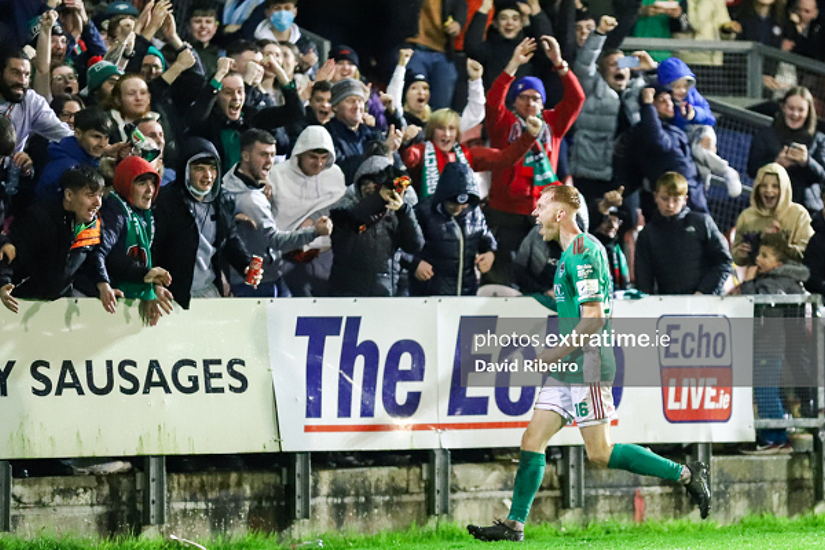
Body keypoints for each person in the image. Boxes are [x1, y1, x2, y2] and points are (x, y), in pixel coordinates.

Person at [467, 184, 711, 542]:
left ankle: (687, 474)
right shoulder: (570, 254)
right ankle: (515, 525)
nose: (535, 214)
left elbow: (594, 317)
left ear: (561, 213)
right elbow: (574, 309)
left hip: (588, 365)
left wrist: (553, 353)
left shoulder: (583, 251)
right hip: (569, 366)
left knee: (599, 452)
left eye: (542, 206)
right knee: (532, 438)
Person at [483, 36, 585, 285]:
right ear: (515, 100)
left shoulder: (553, 123)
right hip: (505, 212)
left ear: (543, 103)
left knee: (541, 273)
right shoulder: (503, 123)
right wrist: (513, 65)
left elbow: (577, 98)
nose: (530, 103)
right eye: (524, 97)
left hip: (543, 210)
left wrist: (559, 63)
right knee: (503, 275)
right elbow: (493, 101)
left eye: (536, 98)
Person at [152, 138, 261, 309]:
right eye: (199, 169)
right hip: (172, 294)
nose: (208, 176)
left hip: (209, 291)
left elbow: (230, 239)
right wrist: (154, 285)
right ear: (186, 171)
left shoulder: (223, 200)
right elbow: (153, 248)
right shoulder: (165, 201)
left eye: (212, 168)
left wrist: (245, 264)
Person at [222, 129, 333, 298]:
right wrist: (315, 231)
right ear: (245, 156)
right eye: (263, 155)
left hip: (268, 276)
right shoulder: (248, 200)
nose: (269, 162)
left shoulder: (230, 182)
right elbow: (276, 241)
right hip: (254, 283)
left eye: (273, 155)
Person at [0, 165, 119, 315]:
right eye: (90, 195)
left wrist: (102, 284)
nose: (98, 203)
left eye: (100, 196)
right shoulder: (39, 219)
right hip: (19, 302)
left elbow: (92, 260)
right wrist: (3, 284)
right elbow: (8, 253)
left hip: (56, 307)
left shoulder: (92, 226)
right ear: (69, 195)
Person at [570, 15, 654, 220]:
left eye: (624, 64)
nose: (619, 68)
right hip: (591, 175)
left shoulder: (637, 91)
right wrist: (599, 34)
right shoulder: (591, 87)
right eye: (612, 65)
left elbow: (670, 89)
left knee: (628, 223)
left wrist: (652, 67)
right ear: (601, 71)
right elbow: (583, 65)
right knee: (590, 223)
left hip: (627, 177)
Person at [731, 233, 809, 454]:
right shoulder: (767, 280)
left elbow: (764, 306)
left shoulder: (776, 282)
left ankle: (776, 439)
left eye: (765, 256)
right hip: (764, 347)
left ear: (779, 262)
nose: (758, 259)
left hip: (770, 347)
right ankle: (771, 436)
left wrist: (746, 286)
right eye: (759, 254)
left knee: (767, 392)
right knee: (765, 390)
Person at [329, 155, 424, 297]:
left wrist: (404, 211)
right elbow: (349, 237)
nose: (370, 187)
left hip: (385, 293)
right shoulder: (343, 209)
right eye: (365, 182)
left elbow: (414, 246)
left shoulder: (397, 213)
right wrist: (379, 199)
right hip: (348, 295)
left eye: (376, 183)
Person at [268, 125, 346, 297]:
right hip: (287, 257)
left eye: (324, 157)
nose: (319, 163)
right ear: (300, 153)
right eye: (313, 157)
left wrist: (315, 217)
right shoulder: (276, 174)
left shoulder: (335, 174)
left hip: (326, 257)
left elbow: (341, 207)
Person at [96, 156, 174, 325]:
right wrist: (144, 274)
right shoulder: (114, 211)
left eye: (153, 183)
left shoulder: (145, 214)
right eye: (141, 183)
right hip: (103, 302)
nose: (150, 190)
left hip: (124, 302)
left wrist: (152, 287)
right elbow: (105, 254)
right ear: (126, 184)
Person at [402, 110, 543, 198]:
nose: (446, 134)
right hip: (428, 223)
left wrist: (529, 135)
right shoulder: (422, 150)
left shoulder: (468, 154)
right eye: (441, 128)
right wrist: (406, 143)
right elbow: (410, 158)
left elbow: (505, 158)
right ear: (432, 131)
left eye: (451, 129)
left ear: (457, 133)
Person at [656, 56, 741, 197]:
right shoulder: (663, 100)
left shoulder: (692, 95)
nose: (682, 91)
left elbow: (710, 117)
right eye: (677, 86)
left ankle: (726, 171)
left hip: (702, 130)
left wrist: (693, 114)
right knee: (698, 161)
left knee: (699, 149)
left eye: (685, 86)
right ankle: (704, 191)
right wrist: (682, 118)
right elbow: (674, 127)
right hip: (686, 138)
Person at [635, 172, 732, 295]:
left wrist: (703, 292)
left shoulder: (702, 223)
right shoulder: (647, 234)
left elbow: (724, 261)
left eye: (676, 200)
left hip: (707, 302)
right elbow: (643, 279)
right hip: (668, 306)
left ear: (685, 200)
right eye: (665, 198)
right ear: (655, 197)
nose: (670, 205)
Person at [410, 162, 496, 296]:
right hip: (430, 294)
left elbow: (487, 239)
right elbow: (400, 247)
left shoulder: (475, 213)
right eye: (452, 203)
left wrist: (489, 254)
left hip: (466, 292)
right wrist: (415, 264)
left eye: (464, 204)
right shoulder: (422, 212)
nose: (458, 208)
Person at [629, 85, 709, 214]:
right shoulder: (645, 131)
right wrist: (648, 105)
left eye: (670, 100)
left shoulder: (673, 129)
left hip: (694, 195)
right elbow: (657, 141)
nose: (669, 104)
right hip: (671, 202)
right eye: (662, 101)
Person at [747, 87, 825, 213]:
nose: (795, 114)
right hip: (772, 207)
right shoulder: (765, 135)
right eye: (791, 108)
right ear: (783, 107)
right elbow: (752, 170)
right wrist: (777, 163)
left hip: (807, 210)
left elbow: (822, 175)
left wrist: (806, 161)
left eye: (801, 110)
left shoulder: (819, 139)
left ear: (809, 112)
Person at [731, 162, 813, 268]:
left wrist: (778, 241)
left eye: (775, 186)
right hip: (755, 279)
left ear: (784, 189)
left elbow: (807, 254)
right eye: (764, 185)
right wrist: (740, 254)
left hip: (789, 278)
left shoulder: (799, 214)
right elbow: (736, 255)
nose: (769, 190)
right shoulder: (747, 216)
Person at [326, 78, 404, 185]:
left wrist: (390, 153)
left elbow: (399, 172)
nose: (357, 106)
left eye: (360, 101)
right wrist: (381, 151)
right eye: (350, 101)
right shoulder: (326, 134)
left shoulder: (373, 134)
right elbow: (342, 171)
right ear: (335, 106)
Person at [464, 0, 554, 90]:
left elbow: (547, 44)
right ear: (495, 23)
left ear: (521, 24)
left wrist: (535, 7)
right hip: (494, 101)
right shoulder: (489, 48)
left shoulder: (530, 47)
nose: (509, 23)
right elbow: (472, 48)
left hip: (524, 100)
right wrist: (484, 9)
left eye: (515, 19)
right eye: (504, 18)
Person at [0, 46, 72, 154]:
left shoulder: (31, 101)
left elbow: (63, 134)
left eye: (27, 75)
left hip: (10, 168)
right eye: (15, 73)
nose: (22, 81)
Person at [36, 107, 119, 199]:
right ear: (78, 133)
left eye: (106, 138)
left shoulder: (91, 159)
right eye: (96, 137)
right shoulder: (64, 166)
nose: (102, 144)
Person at [402, 0, 468, 110]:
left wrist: (458, 23)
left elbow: (461, 6)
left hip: (443, 52)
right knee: (413, 106)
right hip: (414, 48)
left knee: (442, 109)